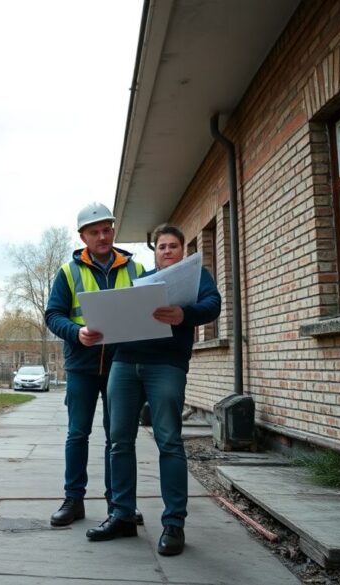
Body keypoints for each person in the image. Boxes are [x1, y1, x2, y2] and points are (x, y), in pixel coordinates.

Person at [88, 223, 221, 556]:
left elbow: (213, 306)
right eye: (161, 246)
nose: (166, 251)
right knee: (119, 441)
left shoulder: (197, 278)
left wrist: (184, 314)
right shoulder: (141, 281)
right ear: (156, 252)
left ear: (183, 251)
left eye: (172, 246)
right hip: (125, 363)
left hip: (166, 367)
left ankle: (174, 523)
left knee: (169, 442)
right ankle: (122, 516)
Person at [44, 202, 145, 527]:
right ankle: (74, 500)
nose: (102, 236)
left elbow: (148, 311)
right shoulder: (68, 272)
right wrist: (77, 332)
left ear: (113, 230)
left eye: (107, 229)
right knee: (77, 434)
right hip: (81, 367)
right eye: (94, 232)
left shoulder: (136, 270)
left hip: (123, 366)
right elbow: (53, 315)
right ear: (83, 236)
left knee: (117, 437)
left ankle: (119, 504)